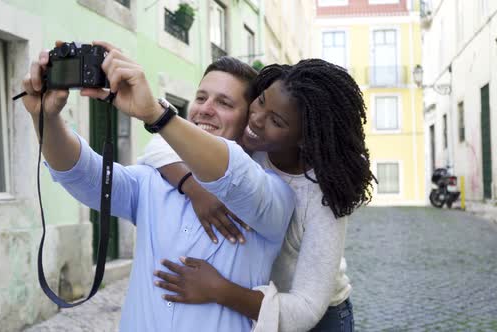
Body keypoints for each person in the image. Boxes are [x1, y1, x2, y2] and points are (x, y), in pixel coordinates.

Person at [20, 42, 296, 332]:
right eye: (201, 98)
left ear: (249, 121)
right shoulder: (153, 180)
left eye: (224, 103)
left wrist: (157, 115)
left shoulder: (274, 195)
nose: (206, 110)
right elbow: (81, 173)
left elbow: (235, 173)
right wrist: (47, 119)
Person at [148, 59, 375, 332]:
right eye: (261, 101)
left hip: (319, 321)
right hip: (251, 308)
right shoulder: (248, 142)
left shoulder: (321, 196)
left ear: (305, 137)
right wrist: (194, 188)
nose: (256, 118)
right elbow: (160, 143)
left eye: (276, 121)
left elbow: (306, 308)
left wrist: (218, 289)